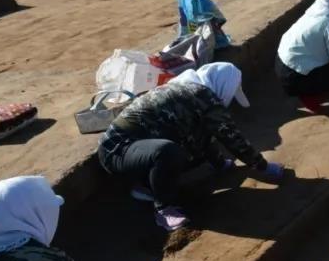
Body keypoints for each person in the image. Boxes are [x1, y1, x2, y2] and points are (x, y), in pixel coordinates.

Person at [96, 62, 284, 231]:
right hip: (117, 151)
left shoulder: (189, 87)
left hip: (134, 149)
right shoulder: (202, 96)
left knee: (188, 143)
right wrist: (263, 166)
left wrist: (220, 163)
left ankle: (146, 186)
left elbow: (205, 132)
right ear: (223, 85)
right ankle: (163, 209)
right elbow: (230, 136)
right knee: (167, 152)